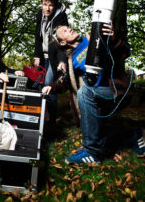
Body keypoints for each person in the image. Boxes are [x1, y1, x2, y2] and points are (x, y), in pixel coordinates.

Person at [42, 24, 145, 164]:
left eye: (69, 27)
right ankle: (135, 134)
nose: (70, 29)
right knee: (102, 139)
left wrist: (112, 39)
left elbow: (123, 52)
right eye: (65, 31)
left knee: (84, 93)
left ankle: (91, 152)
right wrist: (51, 87)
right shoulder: (71, 60)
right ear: (62, 42)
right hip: (97, 98)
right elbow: (64, 81)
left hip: (114, 90)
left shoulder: (93, 37)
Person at [34, 0, 69, 124]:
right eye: (44, 4)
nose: (47, 9)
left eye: (50, 5)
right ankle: (41, 116)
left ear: (55, 5)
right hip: (42, 56)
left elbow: (61, 42)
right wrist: (37, 56)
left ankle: (51, 121)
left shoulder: (61, 17)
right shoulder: (39, 15)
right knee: (38, 84)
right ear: (41, 3)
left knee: (49, 84)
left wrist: (61, 61)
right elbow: (37, 37)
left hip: (54, 56)